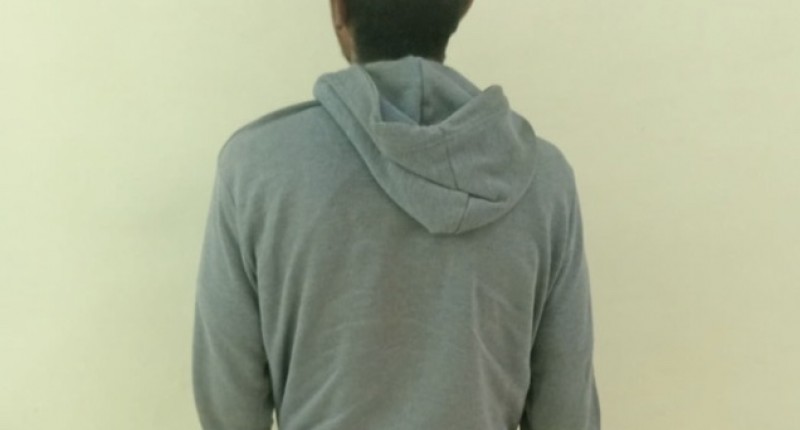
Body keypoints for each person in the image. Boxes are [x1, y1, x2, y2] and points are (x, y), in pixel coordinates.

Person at [191, 0, 601, 429]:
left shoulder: (255, 167)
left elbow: (229, 408)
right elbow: (566, 413)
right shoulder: (544, 180)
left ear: (339, 10)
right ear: (463, 7)